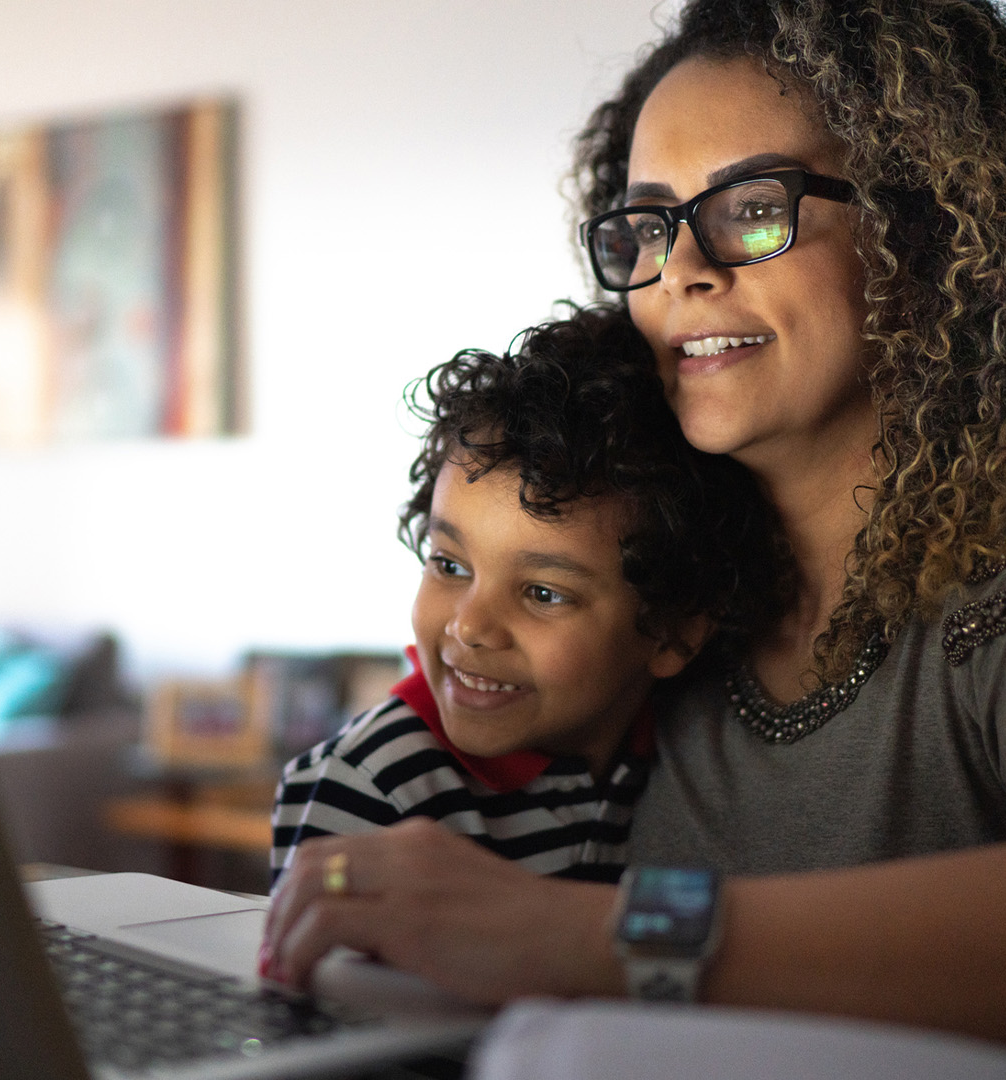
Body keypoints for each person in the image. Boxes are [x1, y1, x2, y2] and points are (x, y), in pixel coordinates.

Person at [262, 0, 1006, 1072]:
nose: (681, 273)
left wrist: (593, 939)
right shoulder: (663, 579)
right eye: (649, 224)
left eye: (753, 208)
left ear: (933, 232)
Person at [267, 307, 786, 898]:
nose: (470, 626)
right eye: (450, 565)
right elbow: (319, 981)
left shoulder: (689, 757)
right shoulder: (370, 786)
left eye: (542, 593)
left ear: (673, 633)